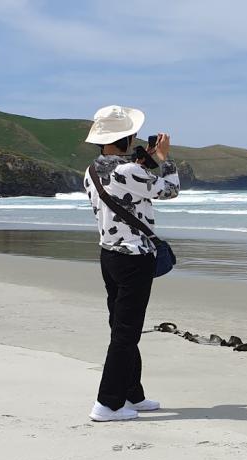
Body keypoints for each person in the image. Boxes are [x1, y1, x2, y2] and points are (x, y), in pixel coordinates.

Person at [82, 105, 180, 422]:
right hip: (134, 258)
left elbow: (129, 181)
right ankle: (107, 404)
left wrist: (146, 160)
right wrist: (165, 159)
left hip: (109, 255)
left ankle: (131, 394)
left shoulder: (93, 170)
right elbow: (170, 190)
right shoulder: (127, 171)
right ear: (126, 137)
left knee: (121, 327)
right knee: (126, 333)